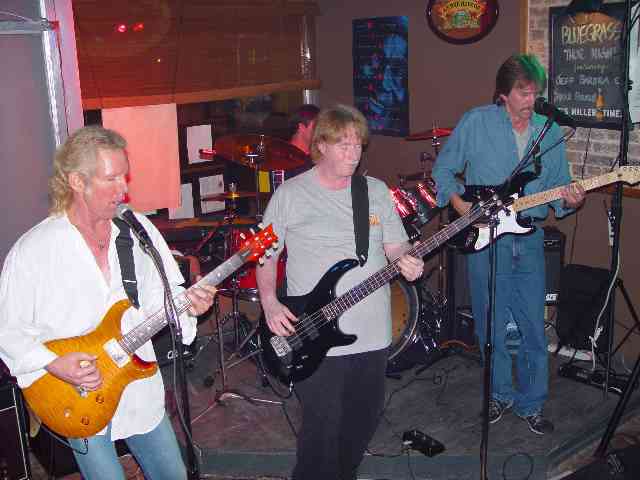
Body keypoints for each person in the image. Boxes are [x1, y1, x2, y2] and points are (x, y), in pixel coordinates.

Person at [0, 126, 217, 479]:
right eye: (111, 178)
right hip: (76, 393)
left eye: (124, 177)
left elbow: (162, 295)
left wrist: (188, 307)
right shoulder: (33, 251)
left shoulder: (136, 229)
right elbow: (7, 329)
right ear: (77, 181)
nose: (124, 189)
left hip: (138, 386)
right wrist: (54, 363)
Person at [256, 104, 424, 479]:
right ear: (321, 146)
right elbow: (266, 255)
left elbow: (396, 246)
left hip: (373, 334)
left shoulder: (374, 192)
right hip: (315, 335)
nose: (353, 153)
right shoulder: (290, 194)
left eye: (358, 144)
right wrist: (269, 302)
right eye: (343, 144)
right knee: (321, 433)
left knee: (361, 425)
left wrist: (407, 259)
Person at [432, 54, 585, 435]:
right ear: (503, 93)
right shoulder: (476, 122)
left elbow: (559, 190)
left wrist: (571, 200)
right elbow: (443, 171)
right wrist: (463, 207)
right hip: (487, 242)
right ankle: (499, 394)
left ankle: (531, 403)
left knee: (534, 328)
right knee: (491, 326)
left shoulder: (549, 131)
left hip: (529, 240)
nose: (531, 99)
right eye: (523, 92)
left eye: (535, 92)